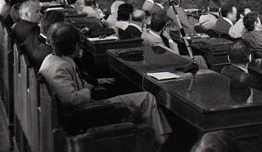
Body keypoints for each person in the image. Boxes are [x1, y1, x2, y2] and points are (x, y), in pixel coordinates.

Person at [40, 22, 172, 145]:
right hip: (91, 111)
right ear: (75, 46)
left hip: (87, 107)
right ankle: (161, 142)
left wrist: (88, 86)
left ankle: (160, 138)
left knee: (138, 94)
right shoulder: (60, 67)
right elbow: (72, 100)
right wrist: (88, 89)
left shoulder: (53, 60)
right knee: (147, 98)